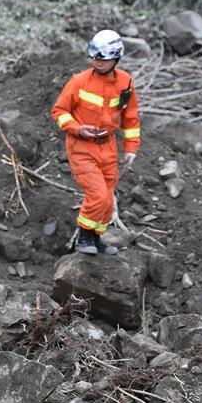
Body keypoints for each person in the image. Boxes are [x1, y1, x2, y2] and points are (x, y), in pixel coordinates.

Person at [51, 29, 141, 255]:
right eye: (94, 58)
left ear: (116, 57)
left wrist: (131, 148)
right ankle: (83, 238)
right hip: (81, 147)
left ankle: (96, 240)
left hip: (108, 146)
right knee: (97, 195)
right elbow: (59, 111)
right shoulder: (79, 82)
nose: (97, 62)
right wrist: (77, 128)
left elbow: (130, 117)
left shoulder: (125, 82)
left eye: (103, 59)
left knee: (108, 201)